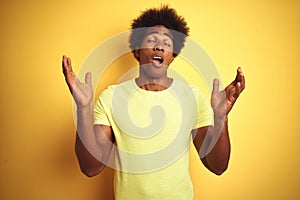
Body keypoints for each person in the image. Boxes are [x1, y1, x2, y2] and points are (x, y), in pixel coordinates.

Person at [62, 5, 245, 200]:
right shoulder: (111, 98)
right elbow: (90, 167)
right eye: (151, 40)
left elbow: (218, 166)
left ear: (172, 56)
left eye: (166, 42)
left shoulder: (192, 97)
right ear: (138, 51)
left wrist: (221, 117)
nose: (159, 46)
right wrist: (82, 108)